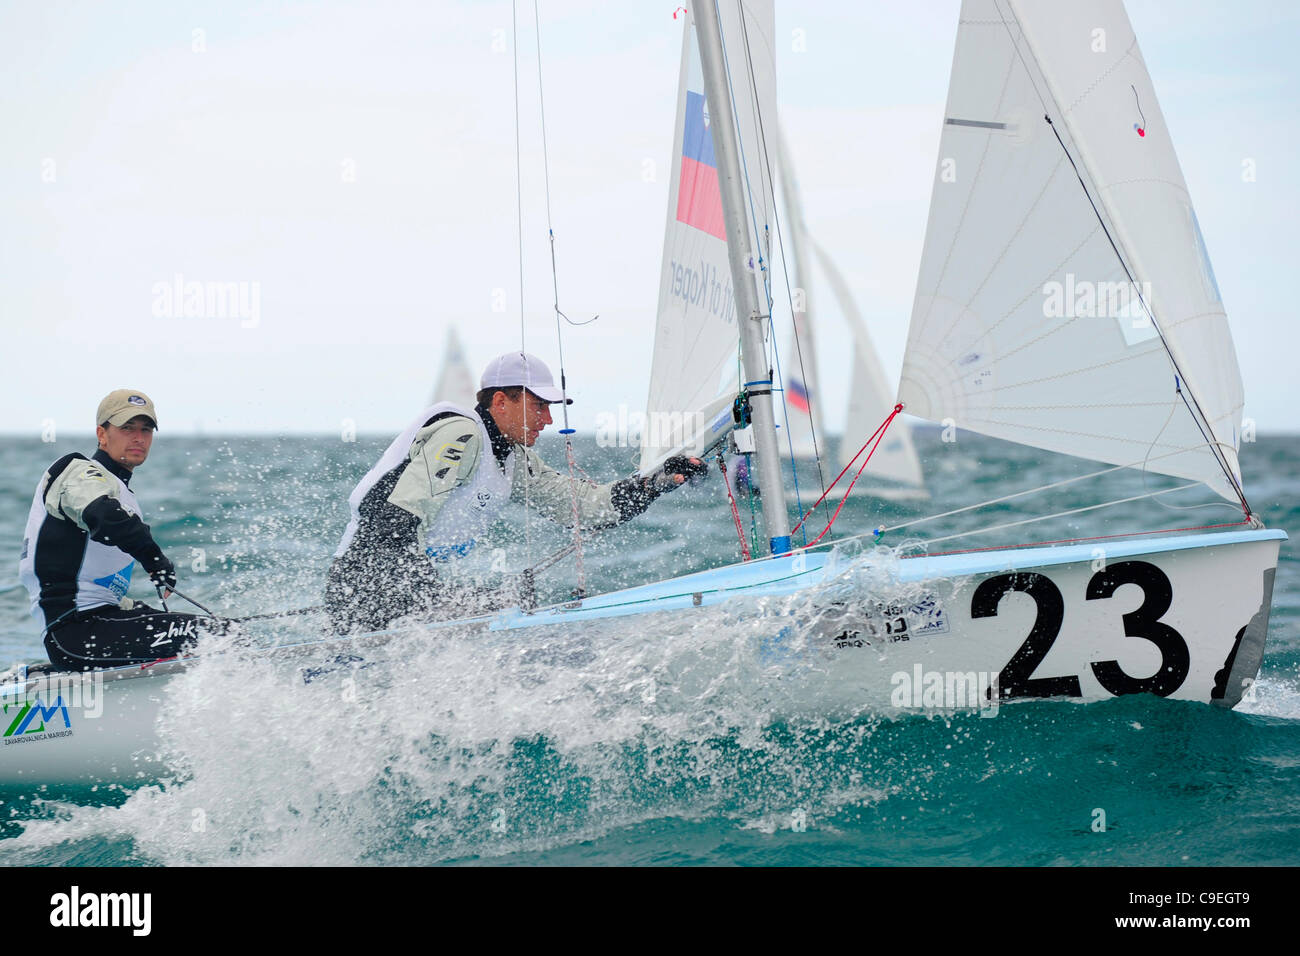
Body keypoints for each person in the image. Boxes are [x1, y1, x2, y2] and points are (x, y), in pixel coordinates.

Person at [326, 351, 707, 633]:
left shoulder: (512, 458)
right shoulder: (461, 433)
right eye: (539, 405)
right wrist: (434, 600)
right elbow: (392, 518)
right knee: (505, 605)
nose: (549, 419)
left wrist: (654, 482)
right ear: (500, 402)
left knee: (510, 602)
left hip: (404, 588)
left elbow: (587, 508)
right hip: (366, 583)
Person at [17, 390, 225, 671]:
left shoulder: (120, 492)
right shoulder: (76, 471)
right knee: (220, 637)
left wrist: (136, 610)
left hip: (94, 626)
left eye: (146, 429)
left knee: (213, 630)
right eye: (127, 428)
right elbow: (104, 517)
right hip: (76, 633)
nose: (138, 437)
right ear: (102, 434)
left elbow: (93, 583)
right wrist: (155, 559)